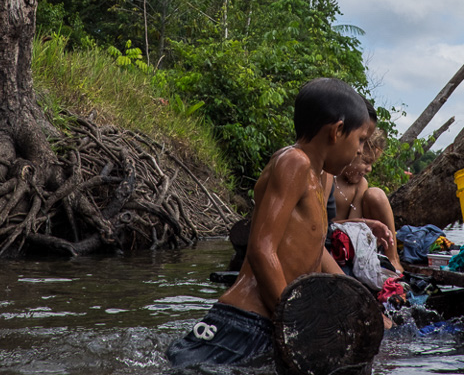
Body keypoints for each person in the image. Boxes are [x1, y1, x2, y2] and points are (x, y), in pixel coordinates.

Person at [167, 78, 376, 368]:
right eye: (361, 140)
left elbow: (313, 251)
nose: (361, 151)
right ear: (337, 131)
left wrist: (354, 302)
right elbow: (261, 249)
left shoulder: (319, 177)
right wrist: (293, 326)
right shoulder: (294, 162)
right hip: (245, 322)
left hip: (269, 321)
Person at [331, 128, 403, 271]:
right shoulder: (329, 176)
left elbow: (353, 228)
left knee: (376, 194)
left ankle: (393, 258)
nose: (369, 169)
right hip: (327, 239)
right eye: (366, 161)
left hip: (347, 241)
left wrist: (369, 225)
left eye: (372, 163)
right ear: (352, 152)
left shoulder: (360, 184)